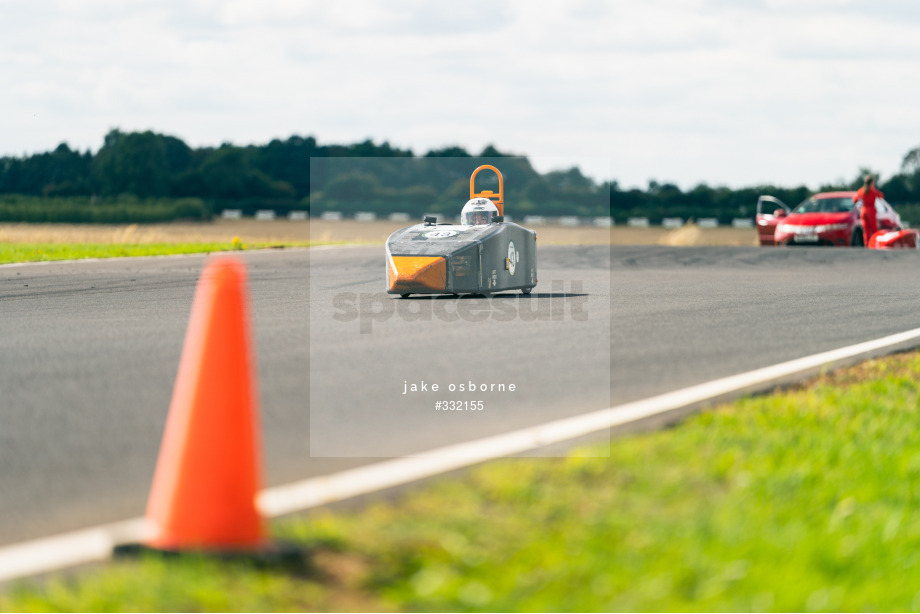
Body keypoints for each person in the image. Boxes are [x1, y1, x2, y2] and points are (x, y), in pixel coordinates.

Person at [853, 174, 883, 245]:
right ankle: (875, 243)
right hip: (871, 210)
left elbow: (854, 199)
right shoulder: (873, 191)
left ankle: (867, 244)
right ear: (871, 183)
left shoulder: (861, 191)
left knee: (866, 230)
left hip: (863, 211)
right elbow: (881, 195)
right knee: (874, 229)